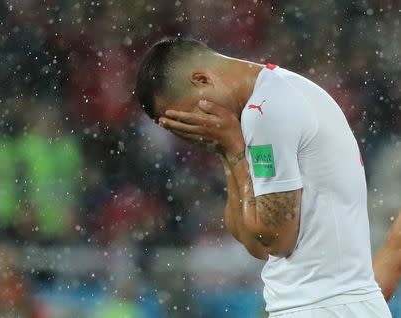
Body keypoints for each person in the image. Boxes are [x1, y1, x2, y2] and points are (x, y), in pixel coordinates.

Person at [135, 37, 398, 317]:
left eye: (187, 118)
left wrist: (234, 149)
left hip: (322, 306)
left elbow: (275, 239)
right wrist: (227, 151)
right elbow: (255, 245)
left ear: (202, 80)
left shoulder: (265, 111)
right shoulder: (273, 96)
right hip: (326, 304)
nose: (193, 130)